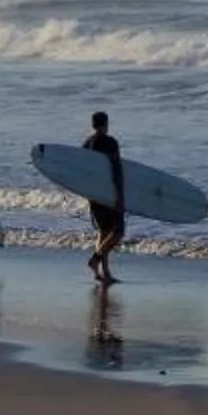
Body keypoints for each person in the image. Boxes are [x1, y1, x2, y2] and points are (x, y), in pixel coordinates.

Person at [82, 109, 127, 285]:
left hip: (94, 194)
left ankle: (104, 272)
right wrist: (120, 196)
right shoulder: (111, 142)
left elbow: (81, 170)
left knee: (104, 231)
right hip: (109, 193)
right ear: (106, 124)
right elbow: (116, 170)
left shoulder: (87, 143)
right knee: (118, 231)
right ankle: (96, 259)